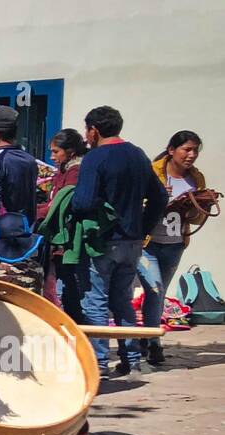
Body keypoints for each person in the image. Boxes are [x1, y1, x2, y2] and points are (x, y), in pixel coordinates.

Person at [71, 105, 168, 375]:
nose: (86, 136)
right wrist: (143, 227)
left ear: (95, 130)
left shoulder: (95, 158)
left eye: (87, 130)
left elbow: (82, 202)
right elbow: (160, 196)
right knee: (122, 300)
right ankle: (132, 359)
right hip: (132, 243)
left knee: (96, 302)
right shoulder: (137, 154)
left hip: (102, 242)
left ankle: (98, 364)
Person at [139, 130, 217, 364]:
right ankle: (152, 341)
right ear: (172, 150)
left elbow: (194, 218)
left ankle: (147, 336)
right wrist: (156, 198)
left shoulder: (196, 179)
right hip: (148, 244)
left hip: (174, 245)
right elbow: (137, 202)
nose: (191, 155)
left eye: (195, 150)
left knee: (158, 293)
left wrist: (197, 205)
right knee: (154, 289)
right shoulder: (152, 172)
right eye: (186, 149)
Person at [38, 129, 88, 318]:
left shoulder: (75, 172)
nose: (52, 157)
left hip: (67, 241)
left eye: (56, 152)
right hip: (60, 243)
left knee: (68, 289)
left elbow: (60, 205)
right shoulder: (63, 171)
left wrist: (34, 211)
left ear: (71, 152)